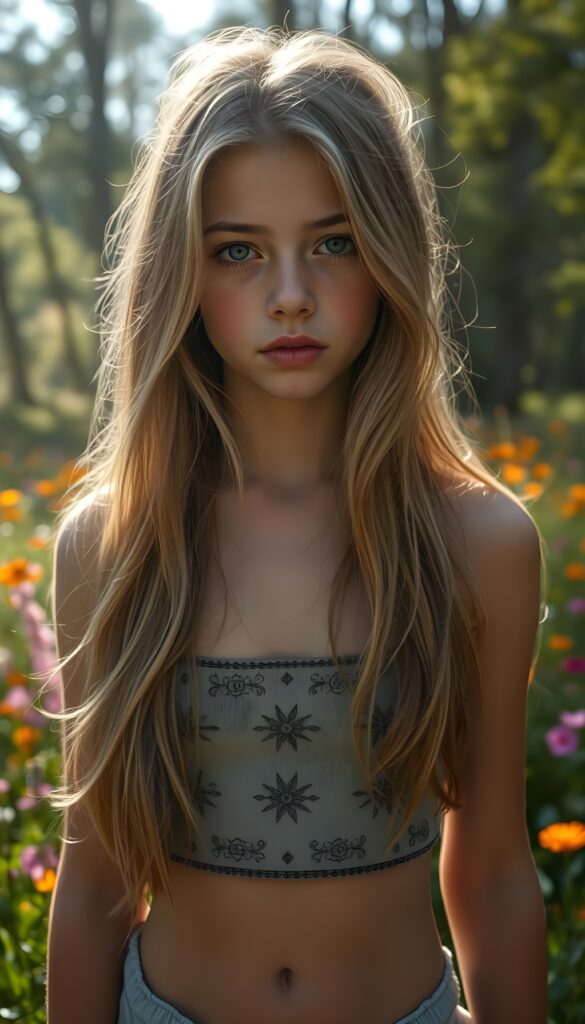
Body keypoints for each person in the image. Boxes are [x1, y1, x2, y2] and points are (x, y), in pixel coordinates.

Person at [43, 24, 549, 1024]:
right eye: (237, 251)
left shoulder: (480, 541)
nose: (289, 296)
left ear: (391, 251)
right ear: (180, 273)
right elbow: (95, 879)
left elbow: (491, 871)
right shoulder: (113, 543)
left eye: (334, 242)